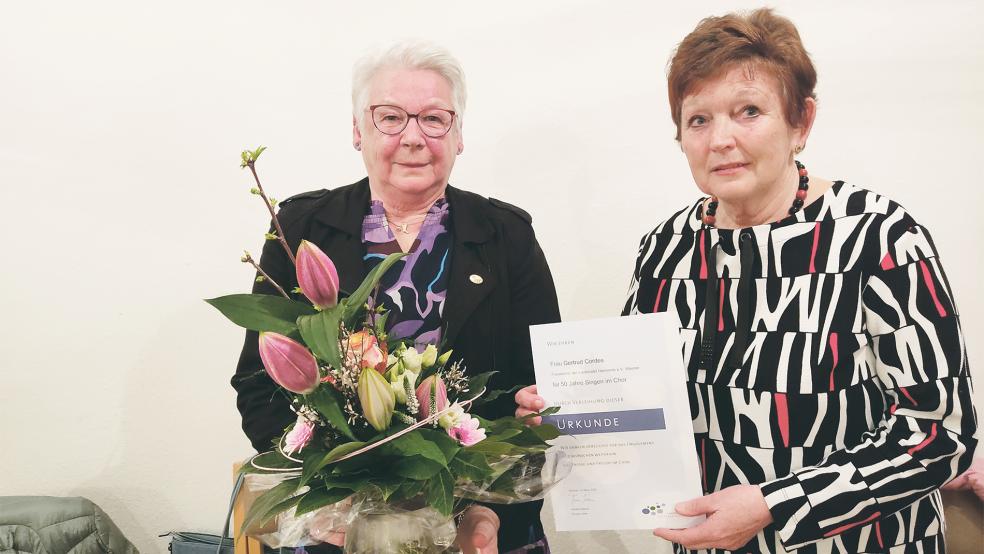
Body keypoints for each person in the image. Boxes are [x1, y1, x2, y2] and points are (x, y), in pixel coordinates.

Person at [517, 8, 976, 553]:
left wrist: (777, 505)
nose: (720, 139)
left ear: (801, 121)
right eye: (698, 120)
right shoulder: (665, 249)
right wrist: (568, 416)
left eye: (749, 111)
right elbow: (641, 400)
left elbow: (941, 435)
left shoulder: (879, 238)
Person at [232, 40, 560, 554]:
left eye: (433, 119)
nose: (413, 137)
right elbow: (259, 385)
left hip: (480, 524)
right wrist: (326, 499)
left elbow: (542, 391)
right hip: (337, 529)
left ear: (458, 135)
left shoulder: (506, 235)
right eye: (390, 118)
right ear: (357, 130)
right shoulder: (302, 230)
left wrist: (491, 511)